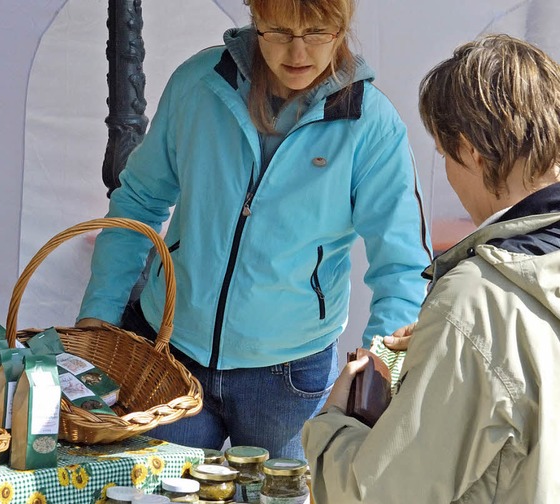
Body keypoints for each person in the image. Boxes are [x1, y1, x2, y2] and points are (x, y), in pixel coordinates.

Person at [76, 0, 432, 460]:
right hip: (168, 351)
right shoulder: (197, 85)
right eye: (279, 30)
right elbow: (138, 202)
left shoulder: (371, 125)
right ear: (254, 18)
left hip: (289, 375)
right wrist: (100, 314)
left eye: (318, 31)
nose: (297, 51)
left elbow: (402, 266)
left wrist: (378, 366)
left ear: (343, 25)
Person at [303, 33, 560, 502]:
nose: (446, 173)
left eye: (443, 155)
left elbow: (382, 493)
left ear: (470, 150)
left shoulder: (476, 300)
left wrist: (332, 426)